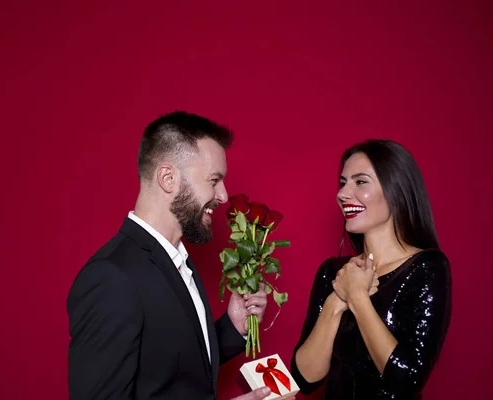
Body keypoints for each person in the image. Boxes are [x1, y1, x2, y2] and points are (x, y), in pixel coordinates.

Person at [67, 111, 269, 400]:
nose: (224, 196)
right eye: (214, 180)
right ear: (168, 178)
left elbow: (170, 370)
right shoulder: (112, 278)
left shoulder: (177, 258)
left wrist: (233, 327)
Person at [289, 139, 452, 399]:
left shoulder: (427, 268)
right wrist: (336, 300)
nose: (343, 194)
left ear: (395, 190)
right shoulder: (333, 272)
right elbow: (304, 379)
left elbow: (408, 379)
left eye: (360, 181)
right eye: (343, 183)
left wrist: (357, 297)